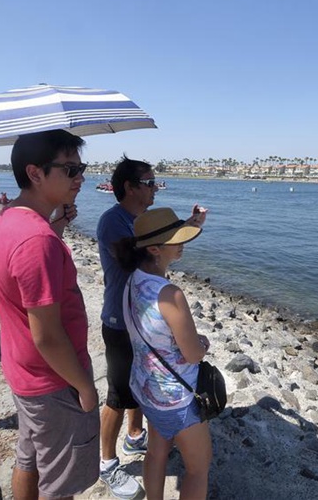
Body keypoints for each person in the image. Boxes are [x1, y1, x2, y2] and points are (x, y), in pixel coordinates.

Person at [0, 129, 99, 499]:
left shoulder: (7, 220)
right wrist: (84, 385)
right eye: (70, 169)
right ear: (35, 173)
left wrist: (58, 227)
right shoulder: (38, 241)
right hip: (54, 382)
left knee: (29, 459)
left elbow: (25, 282)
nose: (80, 178)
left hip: (24, 372)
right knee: (60, 484)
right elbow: (48, 335)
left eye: (81, 168)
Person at [96, 157, 207, 499]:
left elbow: (151, 243)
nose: (154, 187)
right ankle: (108, 462)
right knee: (117, 397)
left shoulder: (141, 262)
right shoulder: (114, 222)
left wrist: (183, 226)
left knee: (149, 426)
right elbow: (191, 352)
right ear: (129, 187)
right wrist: (200, 343)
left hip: (147, 359)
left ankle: (134, 436)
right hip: (127, 328)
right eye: (149, 182)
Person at [116, 207, 211, 500]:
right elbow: (193, 354)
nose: (182, 243)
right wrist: (203, 343)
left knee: (157, 452)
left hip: (147, 387)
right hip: (176, 398)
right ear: (155, 249)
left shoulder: (133, 279)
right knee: (198, 468)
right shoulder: (170, 294)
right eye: (176, 238)